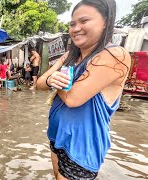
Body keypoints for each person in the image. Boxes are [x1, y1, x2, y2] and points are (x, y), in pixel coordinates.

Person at [36, 0, 131, 179]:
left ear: (105, 22)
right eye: (72, 24)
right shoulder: (70, 55)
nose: (75, 28)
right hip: (58, 135)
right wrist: (50, 79)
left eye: (84, 21)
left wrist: (55, 81)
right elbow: (39, 83)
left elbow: (73, 99)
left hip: (81, 146)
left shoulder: (114, 55)